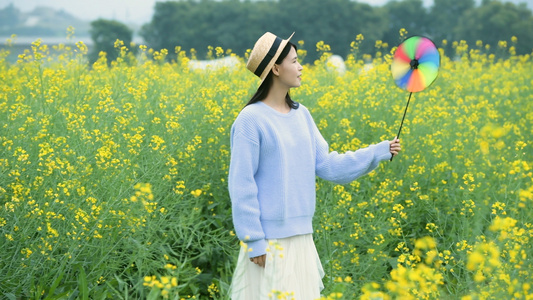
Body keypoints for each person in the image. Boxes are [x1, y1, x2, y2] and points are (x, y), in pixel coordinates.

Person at [228, 32, 401, 299]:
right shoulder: (250, 120)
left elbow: (329, 165)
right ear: (275, 68)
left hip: (301, 240)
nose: (300, 67)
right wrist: (254, 241)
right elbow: (242, 184)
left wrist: (378, 151)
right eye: (294, 61)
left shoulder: (302, 115)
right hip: (268, 243)